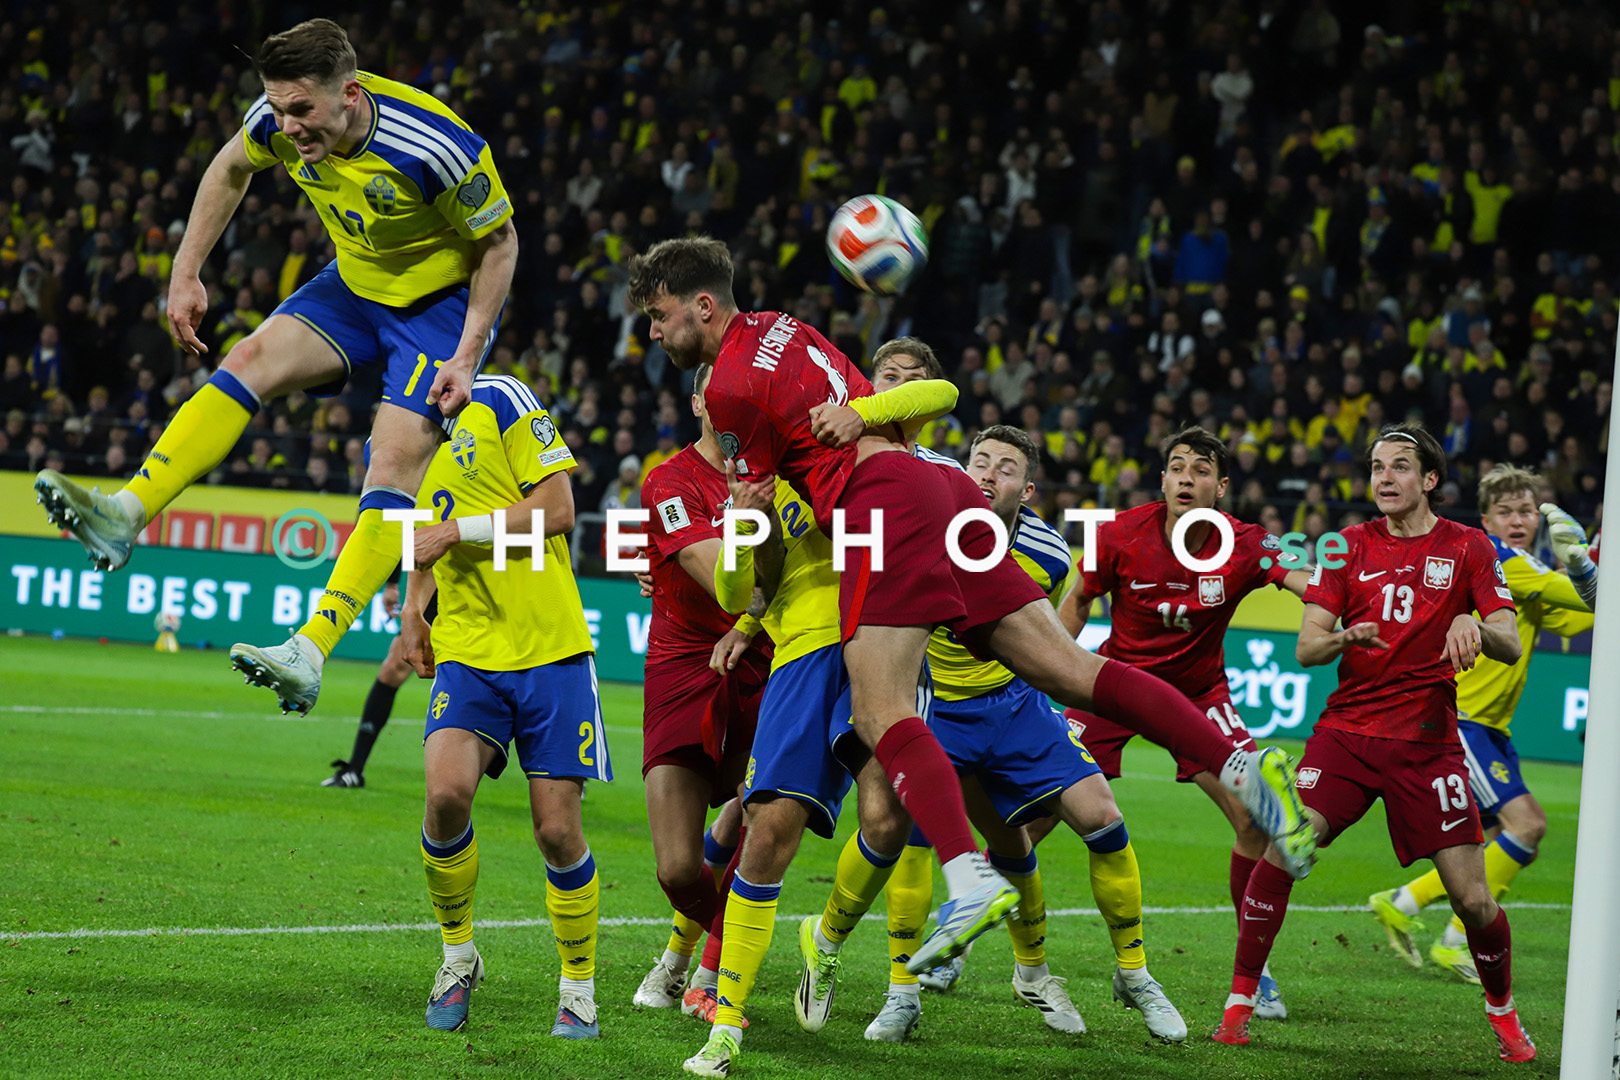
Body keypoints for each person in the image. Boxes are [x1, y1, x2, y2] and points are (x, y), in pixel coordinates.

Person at [627, 237, 1315, 988]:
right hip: (945, 490)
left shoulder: (729, 390)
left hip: (881, 508)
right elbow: (930, 397)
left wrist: (746, 540)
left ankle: (968, 876)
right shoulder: (786, 328)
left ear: (702, 305)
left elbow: (752, 551)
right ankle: (1242, 766)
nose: (653, 332)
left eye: (659, 315)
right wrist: (864, 414)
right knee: (1075, 670)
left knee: (879, 711)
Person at [35, 18, 517, 718]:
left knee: (391, 462)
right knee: (248, 357)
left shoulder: (435, 145)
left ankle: (311, 650)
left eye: (301, 109)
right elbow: (228, 167)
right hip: (355, 283)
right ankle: (125, 514)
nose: (287, 125)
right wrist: (186, 272)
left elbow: (500, 244)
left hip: (437, 305)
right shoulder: (276, 119)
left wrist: (467, 355)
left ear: (350, 94)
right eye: (279, 107)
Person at [810, 343, 1183, 1044]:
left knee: (1099, 816)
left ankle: (1124, 974)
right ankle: (901, 990)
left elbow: (1050, 644)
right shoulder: (926, 503)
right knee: (914, 834)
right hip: (935, 705)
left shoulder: (1051, 554)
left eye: (1006, 468)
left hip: (1013, 707)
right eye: (979, 461)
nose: (988, 475)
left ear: (1026, 491)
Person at [1213, 423, 1535, 1065]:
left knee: (1473, 899)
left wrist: (1472, 621)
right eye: (1377, 467)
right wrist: (1343, 638)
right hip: (1347, 737)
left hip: (1428, 745)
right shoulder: (1345, 547)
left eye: (1400, 466)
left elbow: (1509, 639)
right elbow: (1307, 648)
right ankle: (1240, 1004)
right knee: (1284, 850)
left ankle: (1504, 1016)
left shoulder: (1469, 547)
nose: (1385, 478)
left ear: (1430, 480)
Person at [678, 374, 950, 1077]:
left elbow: (944, 392)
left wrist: (862, 412)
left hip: (886, 640)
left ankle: (824, 941)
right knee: (769, 831)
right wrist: (745, 522)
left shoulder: (892, 454)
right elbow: (740, 590)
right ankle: (727, 1026)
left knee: (890, 818)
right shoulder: (774, 476)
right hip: (804, 651)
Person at [1041, 425, 1312, 1019]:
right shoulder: (1117, 533)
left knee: (1253, 819)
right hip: (1113, 685)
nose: (1188, 478)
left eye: (1201, 470)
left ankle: (1255, 969)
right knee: (1039, 808)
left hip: (1197, 693)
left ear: (1221, 487)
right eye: (1178, 467)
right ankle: (967, 927)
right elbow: (1079, 599)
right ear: (1162, 479)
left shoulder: (1249, 543)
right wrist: (1049, 668)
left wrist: (1347, 607)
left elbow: (1312, 580)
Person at [395, 373, 608, 1039]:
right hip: (468, 649)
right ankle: (458, 957)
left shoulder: (499, 397)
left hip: (550, 648)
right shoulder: (409, 433)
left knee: (557, 831)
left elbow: (559, 507)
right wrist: (412, 609)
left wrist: (456, 532)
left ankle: (578, 988)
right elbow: (421, 534)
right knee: (444, 795)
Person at [1370, 466, 1594, 980]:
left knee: (1498, 840)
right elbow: (1588, 597)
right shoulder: (1504, 559)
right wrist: (1588, 563)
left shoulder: (1524, 572)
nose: (1518, 521)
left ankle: (1405, 902)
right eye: (1505, 512)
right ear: (1487, 519)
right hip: (1464, 721)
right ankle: (1453, 938)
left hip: (1490, 728)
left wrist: (1585, 569)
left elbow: (1582, 615)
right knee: (1528, 825)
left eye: (1526, 511)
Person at [633, 362, 773, 1010]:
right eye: (716, 393)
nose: (728, 402)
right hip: (684, 664)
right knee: (676, 868)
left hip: (766, 660)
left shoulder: (780, 475)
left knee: (759, 811)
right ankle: (719, 942)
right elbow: (726, 580)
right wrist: (746, 526)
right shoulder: (668, 481)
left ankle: (712, 970)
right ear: (697, 403)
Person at [322, 569, 421, 788]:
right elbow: (410, 546)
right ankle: (356, 769)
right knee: (392, 670)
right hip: (436, 592)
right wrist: (393, 584)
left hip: (476, 597)